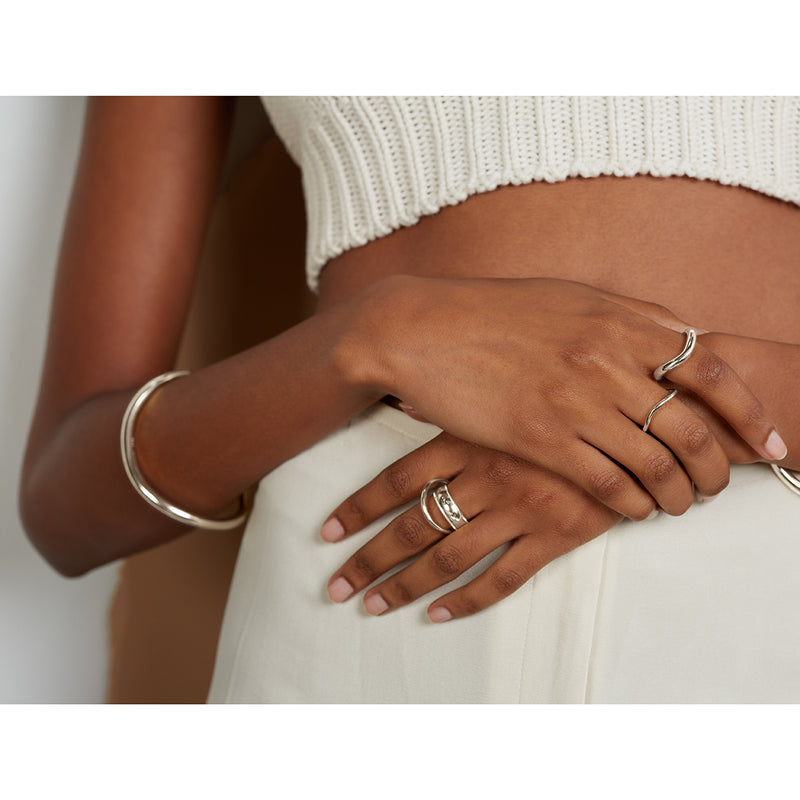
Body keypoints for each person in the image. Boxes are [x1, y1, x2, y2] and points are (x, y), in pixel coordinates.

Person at [20, 96, 800, 703]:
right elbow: (68, 501)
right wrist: (378, 332)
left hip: (763, 574)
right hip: (375, 583)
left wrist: (692, 401)